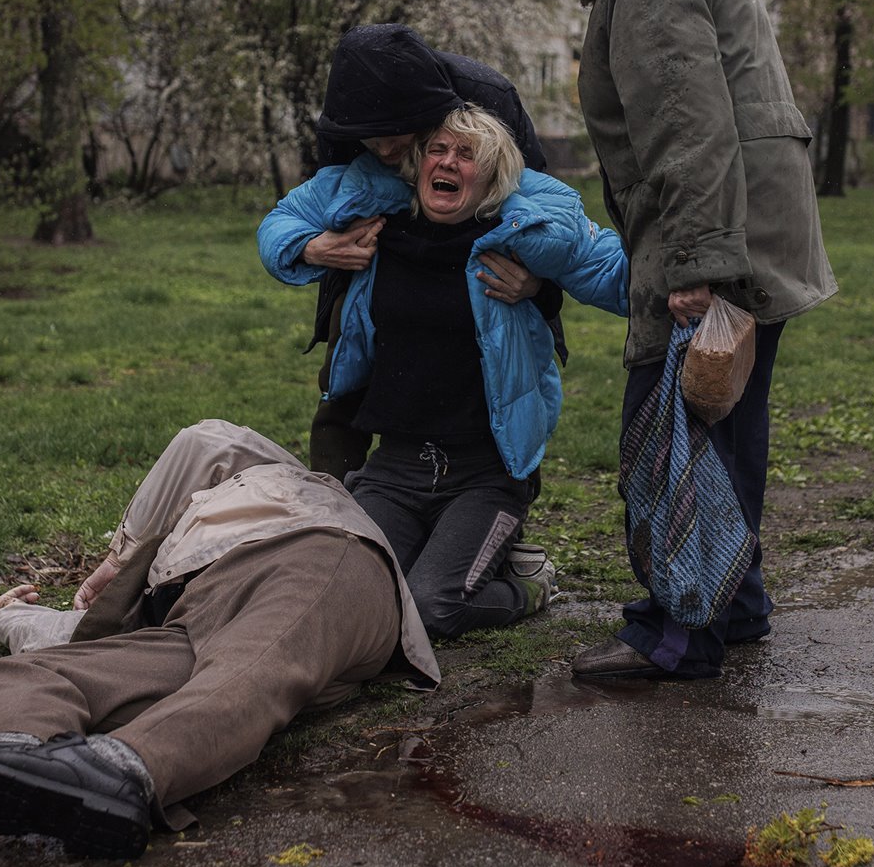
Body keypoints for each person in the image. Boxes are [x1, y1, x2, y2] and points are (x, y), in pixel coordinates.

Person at [458, 0, 837, 681]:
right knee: (722, 423)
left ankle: (678, 631)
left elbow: (687, 127)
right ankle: (732, 606)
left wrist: (701, 266)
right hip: (749, 232)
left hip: (721, 240)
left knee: (673, 432)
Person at [0, 420, 439, 858]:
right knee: (22, 675)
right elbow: (64, 638)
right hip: (196, 612)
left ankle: (122, 770)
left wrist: (115, 559)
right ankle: (0, 763)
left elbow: (207, 440)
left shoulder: (298, 488)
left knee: (252, 667)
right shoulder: (173, 566)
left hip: (317, 559)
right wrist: (11, 618)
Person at [259, 107, 628, 638]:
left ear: (494, 174)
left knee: (431, 608)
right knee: (354, 599)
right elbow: (281, 223)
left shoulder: (519, 236)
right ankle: (469, 557)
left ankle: (529, 586)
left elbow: (614, 271)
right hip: (394, 470)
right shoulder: (384, 224)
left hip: (484, 476)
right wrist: (312, 246)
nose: (448, 161)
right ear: (419, 160)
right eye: (438, 149)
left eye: (467, 153)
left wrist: (696, 276)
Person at [300, 24, 560, 483]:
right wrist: (314, 247)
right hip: (379, 250)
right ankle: (330, 504)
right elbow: (322, 204)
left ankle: (504, 501)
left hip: (482, 257)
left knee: (500, 371)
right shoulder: (348, 115)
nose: (381, 148)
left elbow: (546, 218)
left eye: (392, 134)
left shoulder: (488, 97)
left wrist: (538, 284)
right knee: (345, 368)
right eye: (369, 137)